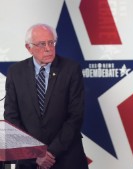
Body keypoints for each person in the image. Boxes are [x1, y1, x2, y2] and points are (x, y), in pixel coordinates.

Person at [4, 23, 89, 169]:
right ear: (28, 47)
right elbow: (11, 118)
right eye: (42, 44)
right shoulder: (15, 72)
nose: (48, 48)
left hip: (67, 158)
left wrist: (50, 153)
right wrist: (36, 154)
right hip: (29, 161)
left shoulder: (71, 69)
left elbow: (75, 116)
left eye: (51, 42)